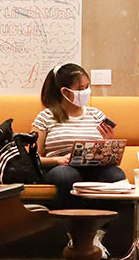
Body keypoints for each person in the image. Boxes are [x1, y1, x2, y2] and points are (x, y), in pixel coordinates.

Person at [31, 63, 126, 210]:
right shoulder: (46, 117)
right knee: (66, 176)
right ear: (65, 92)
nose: (86, 92)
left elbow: (107, 154)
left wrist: (108, 143)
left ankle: (102, 225)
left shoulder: (96, 115)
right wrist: (57, 160)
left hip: (94, 168)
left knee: (116, 175)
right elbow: (32, 157)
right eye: (80, 89)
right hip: (60, 168)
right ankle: (73, 226)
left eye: (87, 87)